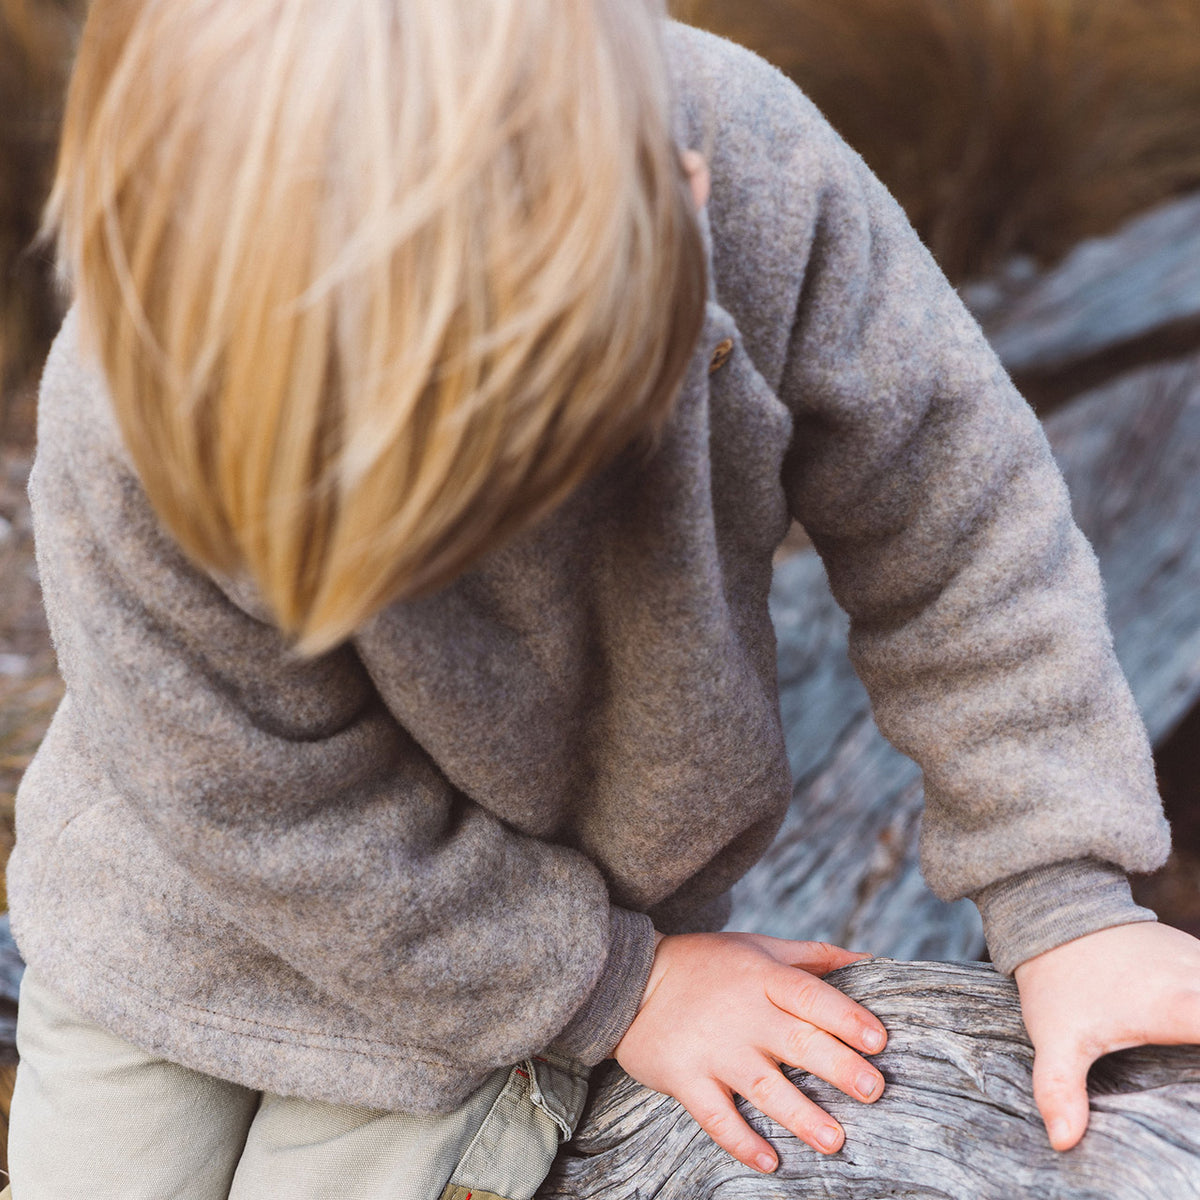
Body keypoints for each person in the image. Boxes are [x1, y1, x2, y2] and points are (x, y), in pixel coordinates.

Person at [6, 1, 1200, 1197]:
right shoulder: (132, 401)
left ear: (683, 202)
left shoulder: (758, 171)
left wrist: (1066, 899)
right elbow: (255, 801)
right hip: (166, 916)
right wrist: (609, 984)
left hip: (517, 944)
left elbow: (956, 522)